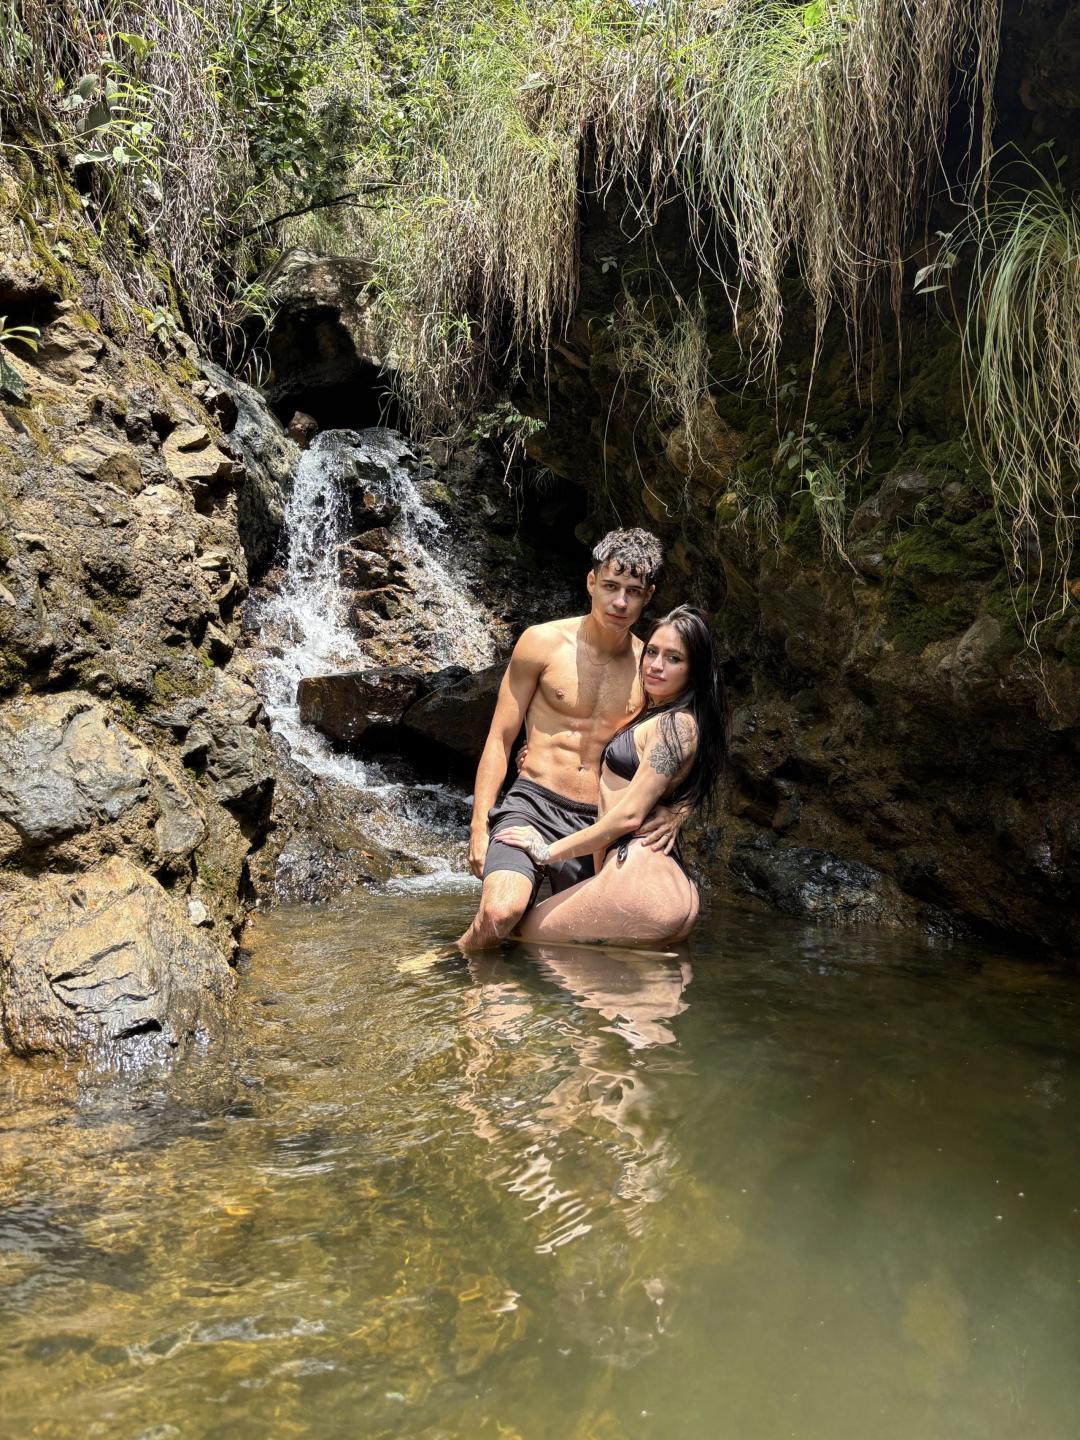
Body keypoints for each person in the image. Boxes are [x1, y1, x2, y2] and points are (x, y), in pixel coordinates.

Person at [458, 528, 683, 950]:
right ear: (591, 582)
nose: (620, 602)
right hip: (532, 803)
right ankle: (455, 959)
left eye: (633, 592)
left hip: (597, 822)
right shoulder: (541, 642)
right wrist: (478, 826)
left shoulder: (650, 668)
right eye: (611, 586)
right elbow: (500, 739)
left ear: (648, 596)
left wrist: (679, 810)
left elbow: (681, 742)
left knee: (589, 943)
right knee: (499, 913)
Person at [497, 606, 726, 947]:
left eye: (674, 658)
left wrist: (545, 850)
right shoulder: (663, 715)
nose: (656, 665)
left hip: (635, 879)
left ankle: (447, 959)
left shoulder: (675, 724)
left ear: (694, 671)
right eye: (652, 652)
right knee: (602, 977)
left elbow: (629, 816)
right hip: (661, 884)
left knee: (518, 936)